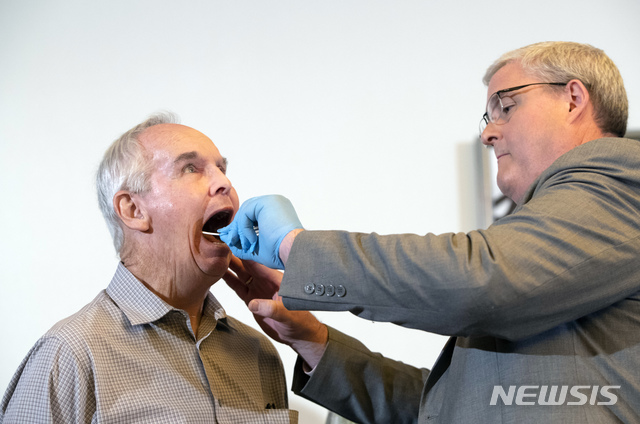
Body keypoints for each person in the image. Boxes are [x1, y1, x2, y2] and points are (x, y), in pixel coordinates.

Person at [220, 41, 640, 423]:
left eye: (505, 107)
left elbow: (479, 280)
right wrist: (314, 341)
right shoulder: (558, 234)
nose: (488, 133)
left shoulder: (623, 182)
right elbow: (442, 410)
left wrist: (297, 248)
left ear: (573, 98)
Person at [0, 113, 299, 423]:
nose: (225, 183)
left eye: (222, 169)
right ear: (133, 210)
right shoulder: (69, 356)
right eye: (190, 168)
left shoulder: (259, 352)